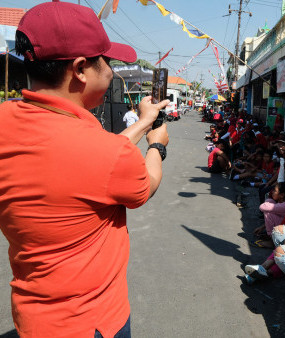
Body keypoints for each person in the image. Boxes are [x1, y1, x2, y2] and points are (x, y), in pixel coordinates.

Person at [0, 2, 170, 337]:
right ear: (80, 69)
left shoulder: (6, 120)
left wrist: (142, 124)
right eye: (106, 61)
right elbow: (145, 184)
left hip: (32, 320)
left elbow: (94, 162)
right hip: (94, 322)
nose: (110, 71)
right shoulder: (104, 152)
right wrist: (156, 145)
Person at [252, 182, 285, 248]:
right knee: (270, 201)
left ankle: (272, 241)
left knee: (269, 212)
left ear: (282, 195)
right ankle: (270, 235)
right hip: (282, 224)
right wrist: (262, 227)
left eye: (275, 191)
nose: (272, 192)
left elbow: (262, 207)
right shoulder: (281, 202)